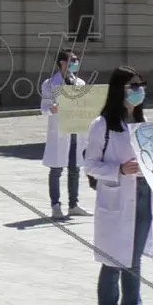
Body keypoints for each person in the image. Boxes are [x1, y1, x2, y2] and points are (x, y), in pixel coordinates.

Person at [81, 67, 153, 305]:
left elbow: (152, 159)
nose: (139, 90)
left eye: (141, 84)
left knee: (134, 262)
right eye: (133, 85)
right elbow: (90, 164)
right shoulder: (102, 125)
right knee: (112, 262)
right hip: (117, 196)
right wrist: (119, 170)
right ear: (119, 89)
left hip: (142, 194)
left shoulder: (143, 122)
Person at [41, 50, 91, 220]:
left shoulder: (80, 83)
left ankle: (73, 205)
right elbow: (44, 107)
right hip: (60, 130)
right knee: (56, 169)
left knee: (75, 168)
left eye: (76, 60)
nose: (76, 63)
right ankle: (56, 206)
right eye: (73, 60)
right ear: (62, 62)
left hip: (76, 130)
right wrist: (52, 108)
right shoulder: (49, 84)